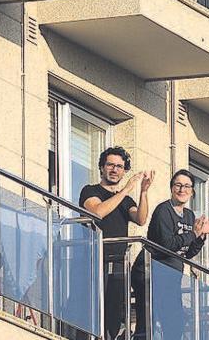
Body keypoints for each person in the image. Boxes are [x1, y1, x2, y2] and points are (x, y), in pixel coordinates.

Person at [131, 169, 209, 339]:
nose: (182, 190)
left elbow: (186, 254)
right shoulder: (163, 210)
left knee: (175, 323)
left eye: (187, 186)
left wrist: (202, 236)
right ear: (172, 188)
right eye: (178, 185)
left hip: (171, 276)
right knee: (149, 322)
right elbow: (167, 245)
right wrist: (194, 234)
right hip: (150, 273)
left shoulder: (189, 215)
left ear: (192, 191)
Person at [78, 146, 153, 340]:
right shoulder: (90, 190)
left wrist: (143, 192)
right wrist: (127, 188)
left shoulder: (126, 199)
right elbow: (97, 212)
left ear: (124, 170)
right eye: (110, 165)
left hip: (119, 263)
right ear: (102, 167)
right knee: (91, 310)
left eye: (119, 166)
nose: (114, 169)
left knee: (113, 313)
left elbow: (141, 218)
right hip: (94, 261)